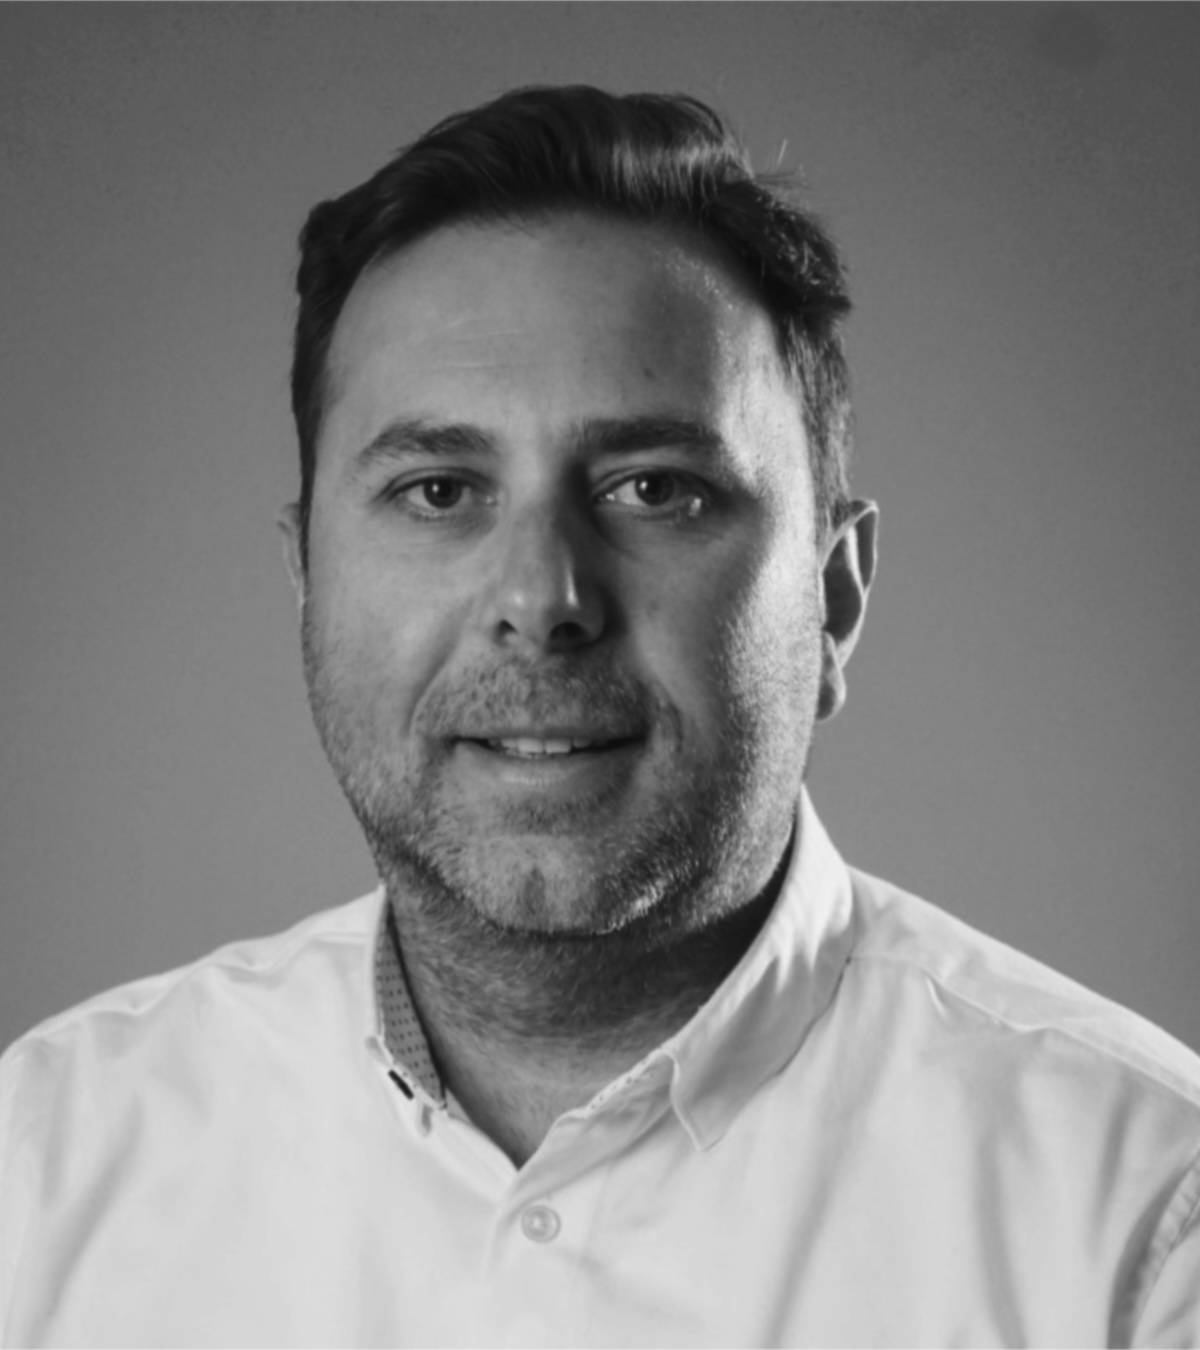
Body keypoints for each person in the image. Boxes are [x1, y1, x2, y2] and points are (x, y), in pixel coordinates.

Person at [1, 84, 1197, 1348]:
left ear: (834, 598)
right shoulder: (41, 1170)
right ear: (308, 582)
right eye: (439, 490)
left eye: (653, 490)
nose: (543, 600)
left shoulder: (1145, 1221)